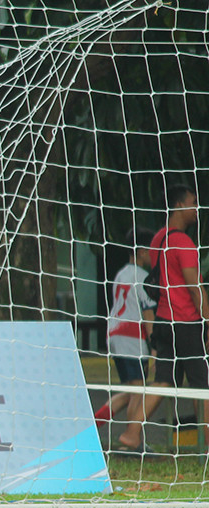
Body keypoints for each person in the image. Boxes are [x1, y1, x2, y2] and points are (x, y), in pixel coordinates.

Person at [118, 184, 208, 452]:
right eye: (193, 202)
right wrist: (207, 319)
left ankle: (132, 433)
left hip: (164, 320)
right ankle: (207, 444)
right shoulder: (184, 242)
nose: (197, 208)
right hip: (187, 322)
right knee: (203, 386)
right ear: (179, 205)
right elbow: (194, 287)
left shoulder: (158, 239)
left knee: (163, 381)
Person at [93, 228, 157, 438]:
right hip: (132, 338)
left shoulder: (121, 274)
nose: (153, 253)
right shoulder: (143, 277)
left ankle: (94, 423)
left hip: (114, 335)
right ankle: (132, 438)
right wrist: (154, 348)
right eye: (150, 249)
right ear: (140, 252)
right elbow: (148, 314)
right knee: (139, 391)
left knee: (132, 390)